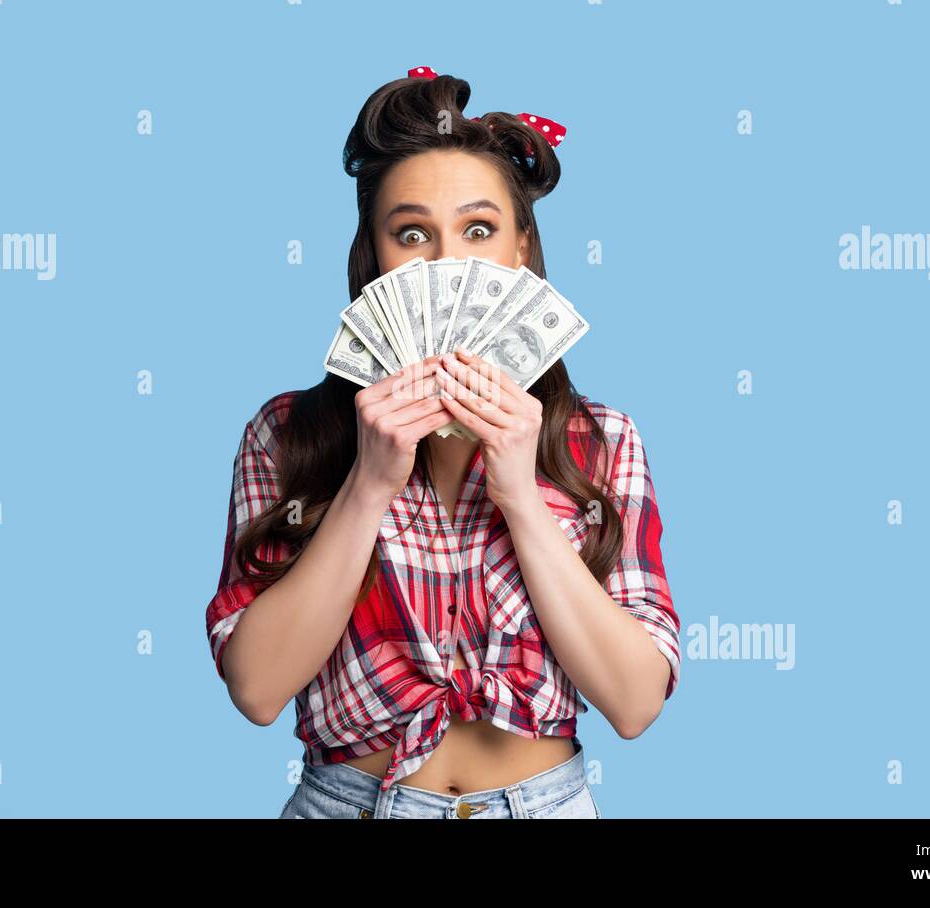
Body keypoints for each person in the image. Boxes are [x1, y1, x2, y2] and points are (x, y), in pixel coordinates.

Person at [206, 67, 681, 819]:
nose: (446, 264)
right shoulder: (287, 434)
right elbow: (257, 690)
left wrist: (521, 497)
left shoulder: (602, 441)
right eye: (413, 232)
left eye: (480, 229)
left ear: (522, 250)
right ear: (374, 258)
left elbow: (634, 703)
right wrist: (367, 485)